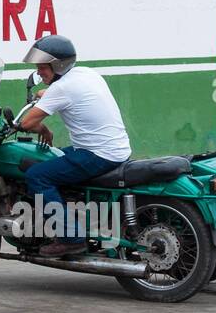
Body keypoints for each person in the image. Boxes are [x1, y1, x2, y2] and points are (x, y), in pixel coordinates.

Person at [17, 35, 131, 258]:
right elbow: (59, 93)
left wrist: (43, 130)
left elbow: (27, 123)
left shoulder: (62, 89)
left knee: (37, 176)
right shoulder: (86, 74)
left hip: (97, 155)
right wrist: (44, 94)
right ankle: (69, 215)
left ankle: (71, 238)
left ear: (58, 65)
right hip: (115, 150)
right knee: (54, 156)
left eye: (43, 67)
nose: (39, 72)